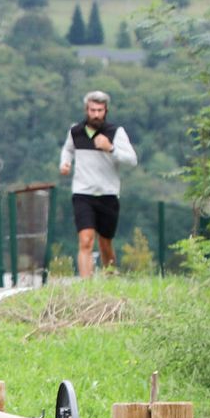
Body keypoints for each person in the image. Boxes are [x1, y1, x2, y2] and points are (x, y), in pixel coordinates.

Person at [57, 89, 138, 277]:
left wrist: (110, 148)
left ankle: (110, 279)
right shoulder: (75, 131)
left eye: (100, 110)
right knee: (86, 240)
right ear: (86, 110)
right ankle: (87, 286)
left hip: (108, 193)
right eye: (92, 110)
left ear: (106, 111)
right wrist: (65, 163)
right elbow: (68, 150)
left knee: (105, 242)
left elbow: (132, 160)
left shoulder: (115, 133)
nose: (96, 114)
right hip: (82, 193)